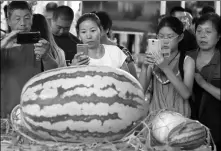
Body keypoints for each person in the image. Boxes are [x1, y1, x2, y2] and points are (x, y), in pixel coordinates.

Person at [1, 1, 58, 118]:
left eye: (27, 18)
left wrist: (46, 55)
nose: (23, 23)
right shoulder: (3, 45)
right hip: (5, 111)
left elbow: (53, 72)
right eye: (17, 19)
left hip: (32, 110)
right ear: (8, 21)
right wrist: (2, 46)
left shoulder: (39, 43)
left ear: (32, 19)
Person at [139, 16, 195, 117]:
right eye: (161, 36)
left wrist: (164, 66)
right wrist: (144, 67)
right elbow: (140, 91)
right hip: (155, 119)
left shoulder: (187, 61)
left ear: (180, 37)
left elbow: (186, 94)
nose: (164, 40)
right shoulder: (153, 59)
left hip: (179, 121)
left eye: (169, 37)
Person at [189, 13, 220, 150]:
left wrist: (202, 83)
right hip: (187, 130)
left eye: (208, 31)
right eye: (199, 31)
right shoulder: (187, 57)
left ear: (219, 36)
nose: (202, 35)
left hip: (217, 131)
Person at [91, 11, 138, 79]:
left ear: (107, 29)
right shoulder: (87, 51)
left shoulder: (122, 52)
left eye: (96, 29)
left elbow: (133, 81)